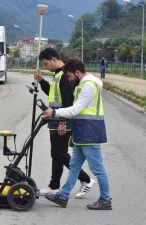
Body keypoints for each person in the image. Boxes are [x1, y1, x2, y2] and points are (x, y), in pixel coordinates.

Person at [43, 57, 112, 210]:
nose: (69, 79)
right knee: (74, 165)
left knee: (97, 168)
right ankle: (63, 195)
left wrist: (54, 112)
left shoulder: (89, 86)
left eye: (69, 76)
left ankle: (106, 199)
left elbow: (76, 109)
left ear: (77, 72)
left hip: (90, 132)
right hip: (82, 132)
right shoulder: (82, 84)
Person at [34, 48, 95, 198]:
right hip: (55, 119)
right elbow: (53, 94)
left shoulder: (64, 76)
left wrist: (63, 122)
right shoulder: (57, 75)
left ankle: (86, 180)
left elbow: (68, 101)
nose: (45, 66)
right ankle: (54, 186)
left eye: (46, 63)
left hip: (62, 120)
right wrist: (41, 81)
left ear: (54, 59)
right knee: (56, 153)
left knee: (60, 153)